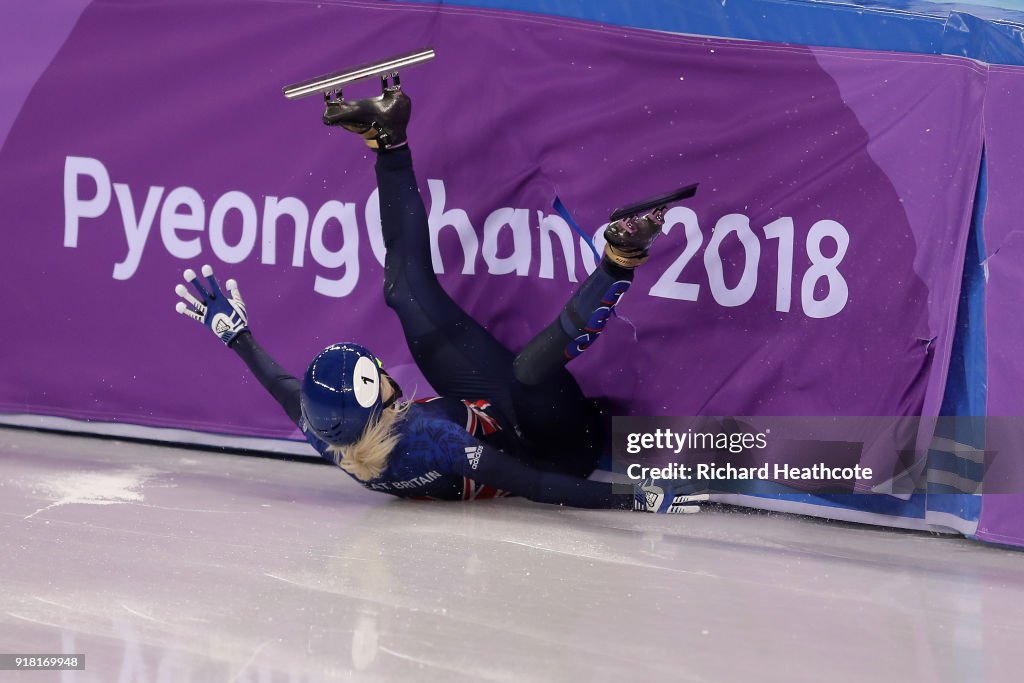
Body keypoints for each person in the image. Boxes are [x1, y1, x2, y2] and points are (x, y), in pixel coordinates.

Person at [175, 83, 705, 513]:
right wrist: (633, 497)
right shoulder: (433, 441)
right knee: (526, 373)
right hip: (560, 451)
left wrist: (236, 335)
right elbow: (539, 486)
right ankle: (620, 260)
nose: (383, 366)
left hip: (489, 415)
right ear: (379, 397)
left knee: (405, 293)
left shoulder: (335, 436)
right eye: (375, 371)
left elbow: (282, 386)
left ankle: (388, 141)